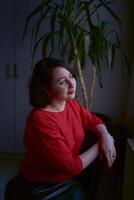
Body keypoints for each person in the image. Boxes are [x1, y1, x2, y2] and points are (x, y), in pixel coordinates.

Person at [5, 57, 116, 200]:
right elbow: (70, 167)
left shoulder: (70, 104)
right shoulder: (40, 119)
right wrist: (101, 143)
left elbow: (92, 120)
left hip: (64, 178)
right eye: (62, 81)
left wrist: (106, 135)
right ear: (46, 88)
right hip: (39, 186)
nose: (71, 84)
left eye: (71, 76)